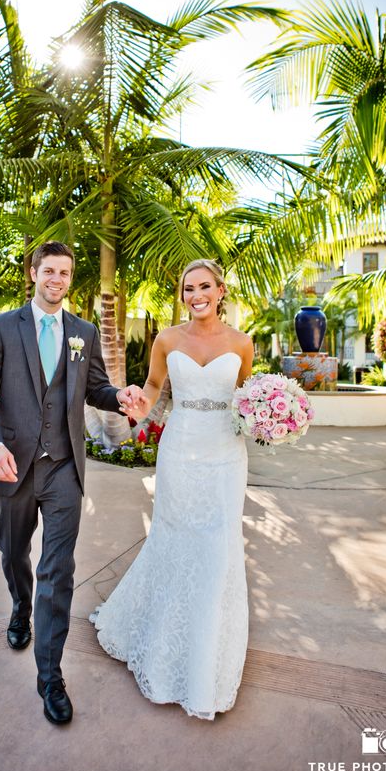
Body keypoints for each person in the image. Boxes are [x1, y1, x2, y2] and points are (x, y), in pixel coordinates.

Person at [0, 241, 142, 726]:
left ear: (70, 278)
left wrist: (120, 397)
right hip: (13, 466)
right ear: (33, 273)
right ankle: (20, 607)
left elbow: (96, 388)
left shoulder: (83, 331)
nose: (57, 279)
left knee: (57, 570)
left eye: (65, 272)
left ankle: (50, 678)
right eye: (49, 271)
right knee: (13, 553)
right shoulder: (2, 327)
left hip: (65, 467)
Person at [90, 258, 254, 720]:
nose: (196, 294)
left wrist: (271, 419)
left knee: (218, 549)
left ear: (221, 290)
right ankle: (162, 642)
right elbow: (153, 389)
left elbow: (248, 399)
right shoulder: (166, 339)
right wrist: (132, 406)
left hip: (226, 456)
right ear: (182, 294)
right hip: (180, 451)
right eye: (188, 288)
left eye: (205, 286)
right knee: (175, 540)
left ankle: (207, 661)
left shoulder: (242, 343)